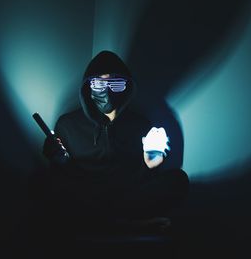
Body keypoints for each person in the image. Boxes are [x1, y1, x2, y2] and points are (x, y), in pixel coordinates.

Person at [40, 50, 189, 234]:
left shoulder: (141, 125)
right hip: (86, 196)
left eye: (116, 84)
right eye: (99, 83)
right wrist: (58, 161)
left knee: (178, 180)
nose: (107, 91)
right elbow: (62, 177)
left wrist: (151, 165)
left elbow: (145, 179)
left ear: (127, 87)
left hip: (127, 198)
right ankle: (126, 223)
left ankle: (105, 222)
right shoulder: (68, 124)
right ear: (88, 87)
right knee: (40, 181)